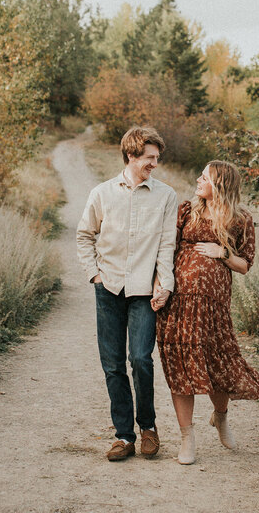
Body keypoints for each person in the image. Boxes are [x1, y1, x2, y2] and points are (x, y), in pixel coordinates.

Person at [153, 159, 259, 465]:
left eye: (205, 177)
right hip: (179, 304)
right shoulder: (186, 210)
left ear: (221, 185)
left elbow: (244, 265)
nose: (198, 180)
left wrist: (223, 252)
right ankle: (187, 436)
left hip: (214, 306)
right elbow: (166, 250)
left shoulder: (241, 218)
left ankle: (221, 416)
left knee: (219, 364)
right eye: (200, 174)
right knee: (182, 367)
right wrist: (159, 286)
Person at [77, 126, 177, 461]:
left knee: (140, 359)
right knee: (113, 364)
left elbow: (167, 245)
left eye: (157, 159)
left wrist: (165, 284)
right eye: (149, 158)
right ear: (131, 155)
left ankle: (148, 428)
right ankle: (124, 436)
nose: (154, 164)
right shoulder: (102, 193)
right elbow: (84, 235)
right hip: (108, 289)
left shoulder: (166, 196)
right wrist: (94, 275)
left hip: (143, 292)